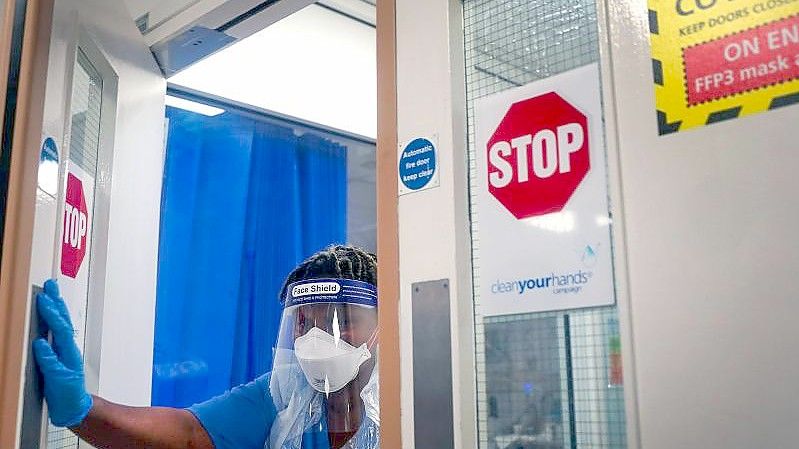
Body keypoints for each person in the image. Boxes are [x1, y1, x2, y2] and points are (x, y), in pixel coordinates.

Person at [34, 245, 380, 449]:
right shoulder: (287, 394)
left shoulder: (410, 405)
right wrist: (83, 409)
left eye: (340, 322)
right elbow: (187, 434)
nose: (316, 341)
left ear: (381, 327)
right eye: (303, 324)